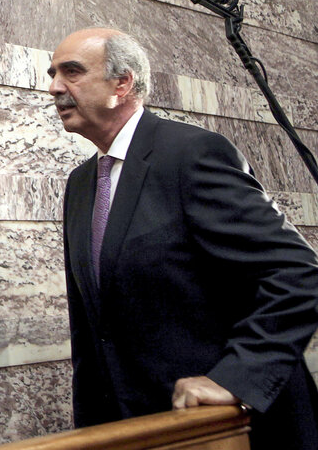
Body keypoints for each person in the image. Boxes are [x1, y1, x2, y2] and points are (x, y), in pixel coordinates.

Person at [48, 27, 318, 449]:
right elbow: (92, 328)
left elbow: (298, 273)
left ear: (123, 83)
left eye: (72, 72)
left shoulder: (191, 154)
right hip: (144, 430)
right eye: (53, 73)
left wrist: (235, 379)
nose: (54, 87)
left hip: (233, 428)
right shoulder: (81, 184)